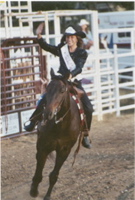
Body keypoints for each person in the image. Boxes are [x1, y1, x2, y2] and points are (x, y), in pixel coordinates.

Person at [24, 24, 93, 149]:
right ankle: (33, 120)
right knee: (46, 97)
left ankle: (85, 134)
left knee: (88, 108)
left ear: (76, 38)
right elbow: (48, 47)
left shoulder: (82, 52)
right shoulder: (62, 49)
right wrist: (39, 36)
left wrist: (71, 75)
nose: (69, 39)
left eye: (72, 37)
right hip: (61, 80)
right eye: (67, 37)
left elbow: (79, 67)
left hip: (74, 81)